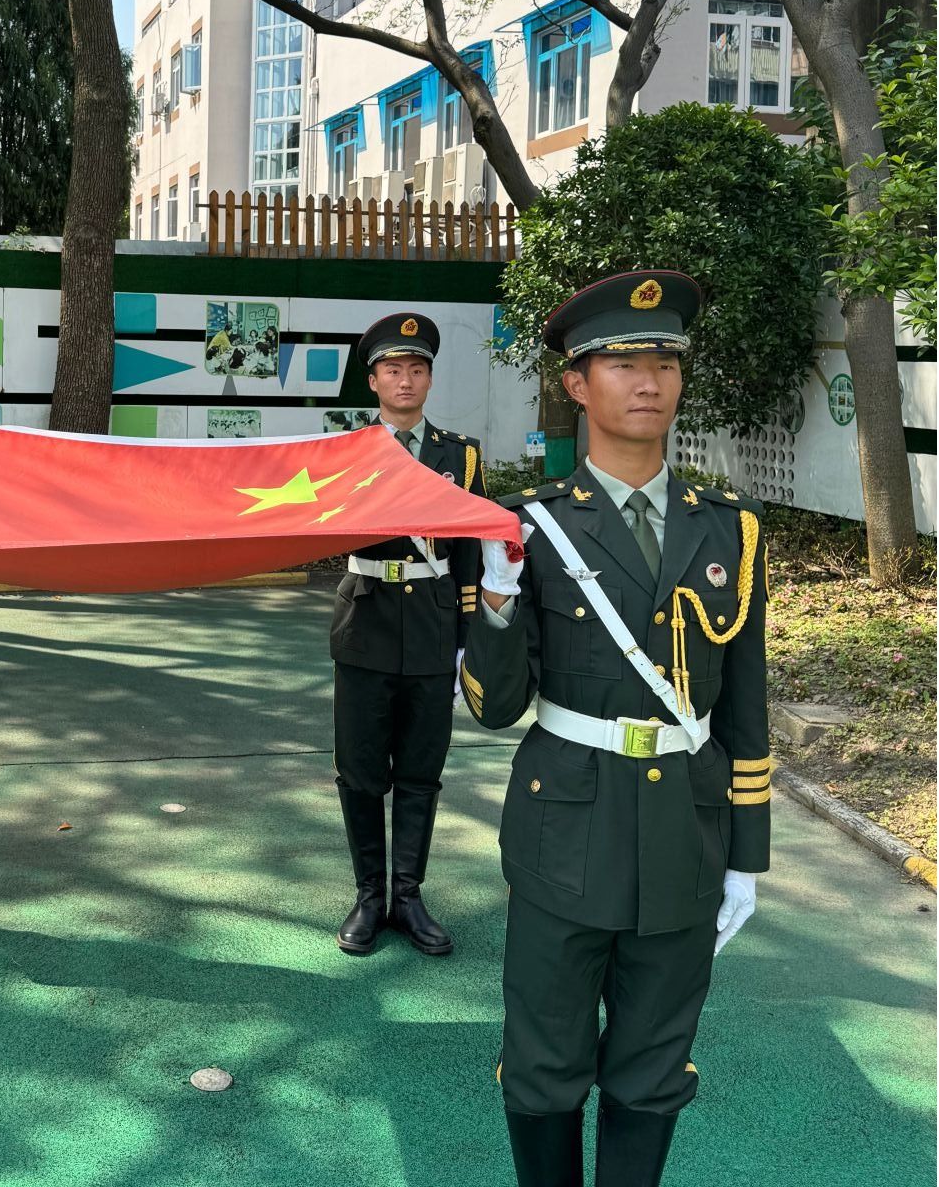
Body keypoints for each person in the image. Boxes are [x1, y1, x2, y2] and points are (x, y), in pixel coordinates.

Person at [461, 270, 773, 1187]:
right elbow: (494, 705)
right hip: (565, 831)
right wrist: (496, 598)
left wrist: (747, 854)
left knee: (654, 1064)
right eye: (624, 363)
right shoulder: (530, 528)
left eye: (665, 363)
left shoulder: (731, 531)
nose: (649, 382)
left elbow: (744, 705)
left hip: (686, 832)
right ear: (576, 383)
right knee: (544, 1062)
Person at [328, 311, 485, 955]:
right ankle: (369, 896)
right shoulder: (347, 449)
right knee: (361, 769)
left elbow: (471, 544)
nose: (405, 380)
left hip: (431, 625)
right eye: (393, 369)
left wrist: (467, 634)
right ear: (374, 380)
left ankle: (409, 896)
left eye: (417, 369)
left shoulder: (460, 454)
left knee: (422, 769)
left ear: (429, 379)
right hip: (364, 617)